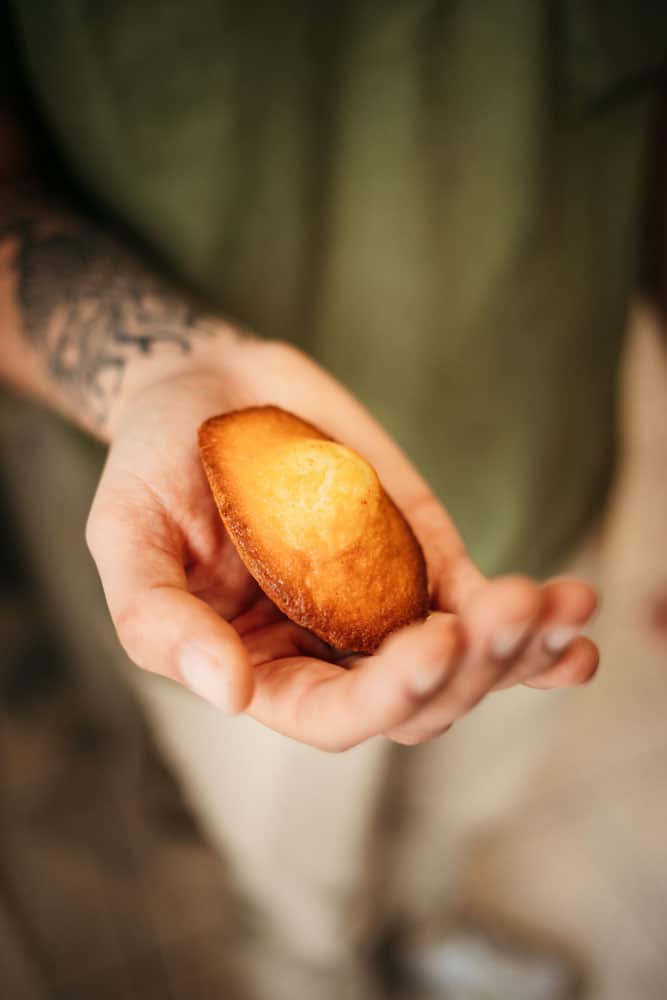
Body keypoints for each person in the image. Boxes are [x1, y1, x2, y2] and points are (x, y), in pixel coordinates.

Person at [1, 3, 665, 998]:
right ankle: (308, 969)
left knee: (471, 784)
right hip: (224, 559)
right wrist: (153, 374)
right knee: (290, 853)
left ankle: (425, 919)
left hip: (548, 426)